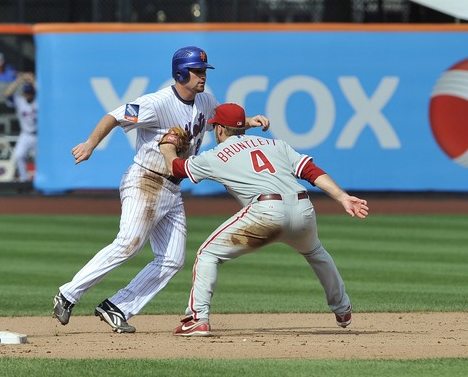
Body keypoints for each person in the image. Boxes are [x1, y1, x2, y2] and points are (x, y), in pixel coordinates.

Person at [53, 46, 270, 333]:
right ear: (181, 72)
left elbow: (219, 124)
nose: (203, 75)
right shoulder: (156, 102)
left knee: (172, 260)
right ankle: (67, 295)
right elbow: (114, 117)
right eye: (197, 71)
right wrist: (91, 144)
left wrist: (248, 121)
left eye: (204, 70)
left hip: (173, 188)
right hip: (145, 179)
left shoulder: (206, 101)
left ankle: (117, 307)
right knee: (128, 243)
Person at [158, 103, 368, 337]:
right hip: (303, 208)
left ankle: (198, 319)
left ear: (219, 130)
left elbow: (176, 169)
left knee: (208, 254)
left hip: (266, 211)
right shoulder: (275, 144)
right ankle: (343, 309)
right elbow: (309, 170)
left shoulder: (215, 155)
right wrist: (343, 197)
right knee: (316, 252)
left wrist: (167, 147)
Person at [3, 72, 38, 183]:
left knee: (41, 159)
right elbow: (7, 94)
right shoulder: (20, 101)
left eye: (30, 93)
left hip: (39, 135)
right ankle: (24, 180)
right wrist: (19, 81)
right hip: (26, 134)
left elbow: (45, 94)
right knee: (18, 155)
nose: (28, 95)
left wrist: (33, 80)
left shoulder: (39, 101)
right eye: (26, 93)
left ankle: (39, 180)